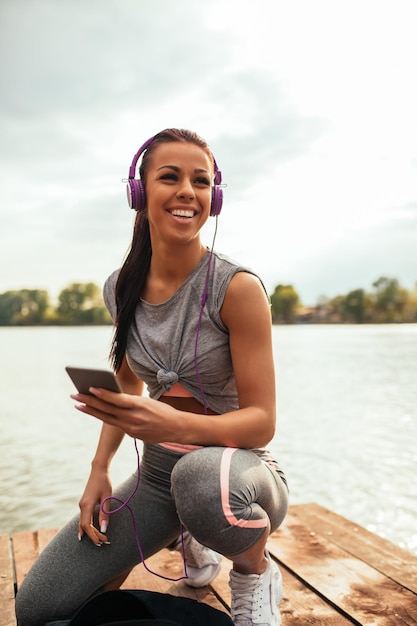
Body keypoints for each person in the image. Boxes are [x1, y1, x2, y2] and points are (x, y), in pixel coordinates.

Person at [15, 128, 289, 626]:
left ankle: (254, 570)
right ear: (139, 193)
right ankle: (188, 531)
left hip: (240, 474)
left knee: (201, 482)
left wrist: (171, 424)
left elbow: (262, 422)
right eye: (170, 177)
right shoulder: (120, 289)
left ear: (214, 198)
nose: (188, 190)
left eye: (201, 181)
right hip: (161, 476)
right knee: (39, 609)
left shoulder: (239, 288)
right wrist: (99, 468)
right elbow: (125, 388)